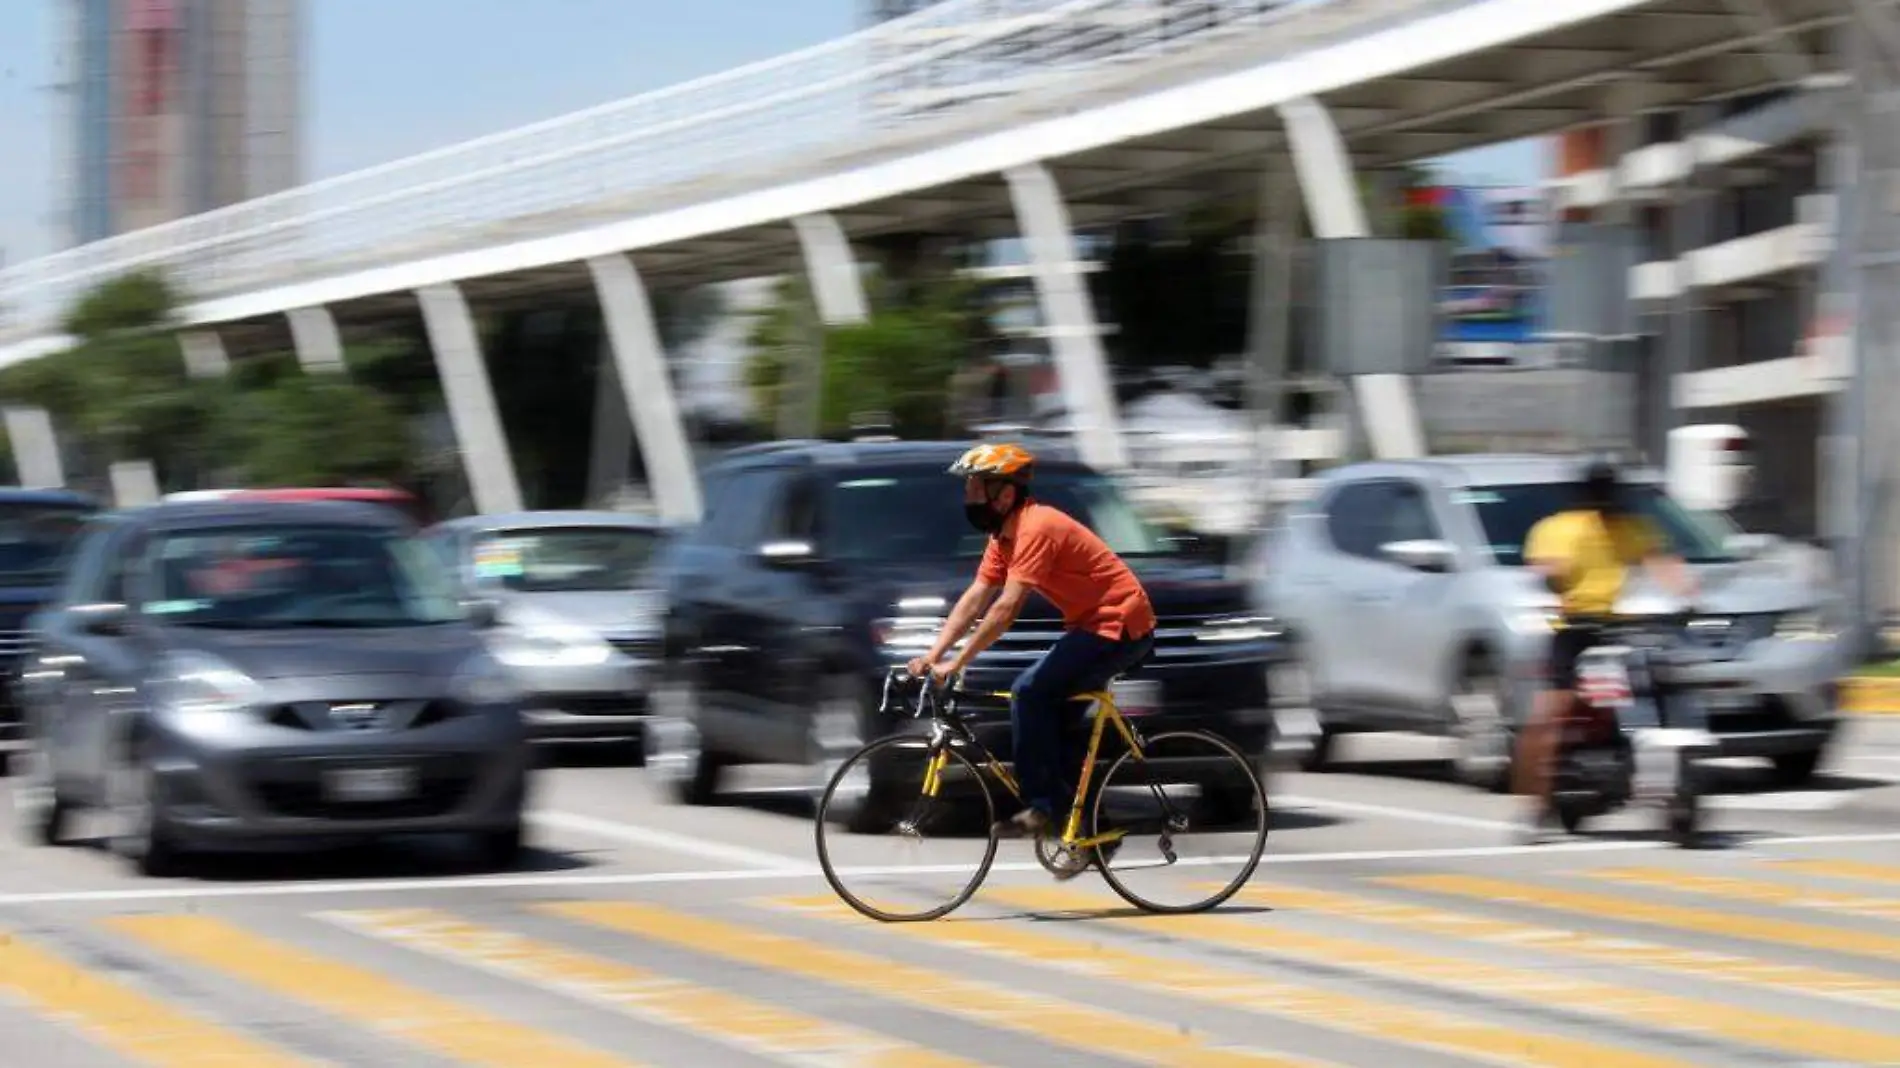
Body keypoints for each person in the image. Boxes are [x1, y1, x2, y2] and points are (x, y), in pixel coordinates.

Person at [906, 443, 1157, 873]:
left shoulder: (1036, 528)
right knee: (1051, 729)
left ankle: (1042, 809)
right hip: (1090, 627)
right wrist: (933, 655)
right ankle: (1093, 832)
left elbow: (1005, 609)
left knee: (1028, 693)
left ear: (1003, 493)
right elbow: (976, 598)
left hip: (1120, 627)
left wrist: (958, 662)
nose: (967, 497)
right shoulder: (1002, 536)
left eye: (974, 487)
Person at [1514, 458, 1696, 841]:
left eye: (1610, 490)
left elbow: (1660, 562)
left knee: (1664, 686)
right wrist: (1552, 583)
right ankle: (1534, 807)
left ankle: (1671, 790)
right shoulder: (1558, 529)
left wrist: (1688, 596)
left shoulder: (1630, 528)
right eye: (1599, 491)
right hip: (1575, 630)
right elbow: (1545, 569)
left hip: (1620, 627)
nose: (1605, 499)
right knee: (1550, 715)